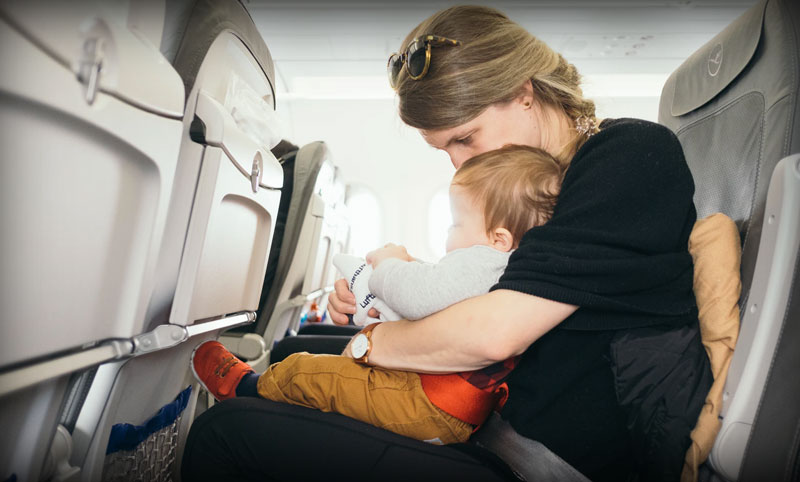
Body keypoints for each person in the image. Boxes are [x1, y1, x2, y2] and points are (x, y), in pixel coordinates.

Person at [182, 6, 712, 482]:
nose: (459, 161)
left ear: (525, 93)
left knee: (225, 435)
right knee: (291, 356)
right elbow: (495, 284)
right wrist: (381, 295)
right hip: (482, 424)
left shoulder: (629, 156)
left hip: (535, 459)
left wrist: (376, 342)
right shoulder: (540, 180)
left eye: (465, 137)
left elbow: (493, 335)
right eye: (443, 148)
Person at [191, 145, 564, 445]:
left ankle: (246, 389)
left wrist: (388, 264)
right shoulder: (506, 265)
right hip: (446, 405)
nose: (450, 235)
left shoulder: (485, 260)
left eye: (456, 224)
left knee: (310, 371)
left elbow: (419, 296)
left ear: (498, 237)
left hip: (428, 402)